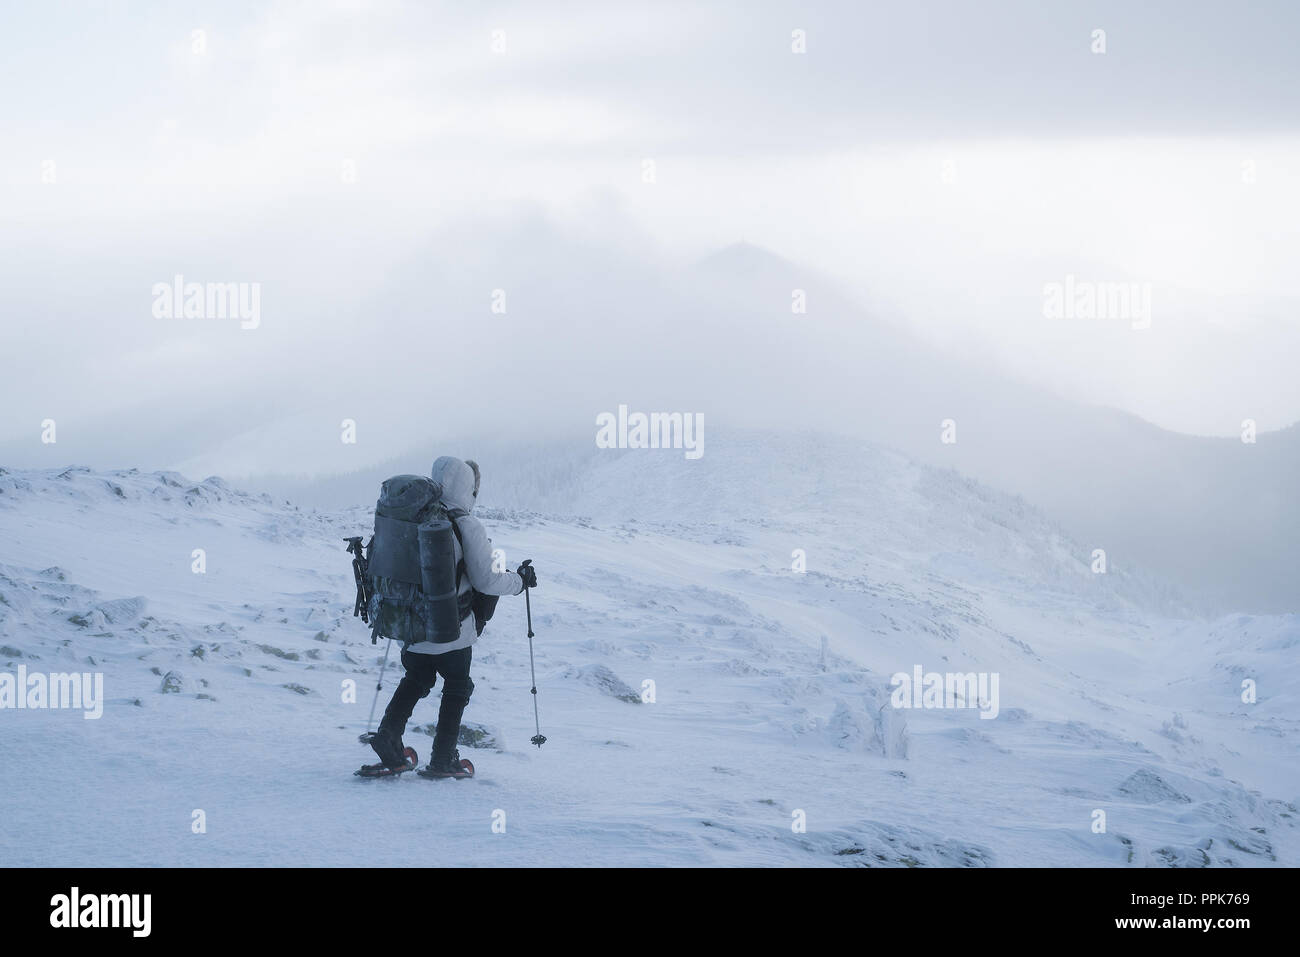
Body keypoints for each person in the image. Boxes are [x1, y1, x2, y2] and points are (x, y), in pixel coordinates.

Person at [368, 456, 537, 777]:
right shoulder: (464, 523)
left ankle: (389, 737)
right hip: (452, 627)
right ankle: (443, 758)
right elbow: (487, 580)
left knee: (416, 678)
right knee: (457, 685)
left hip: (408, 623)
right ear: (469, 488)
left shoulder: (411, 516)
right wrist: (520, 582)